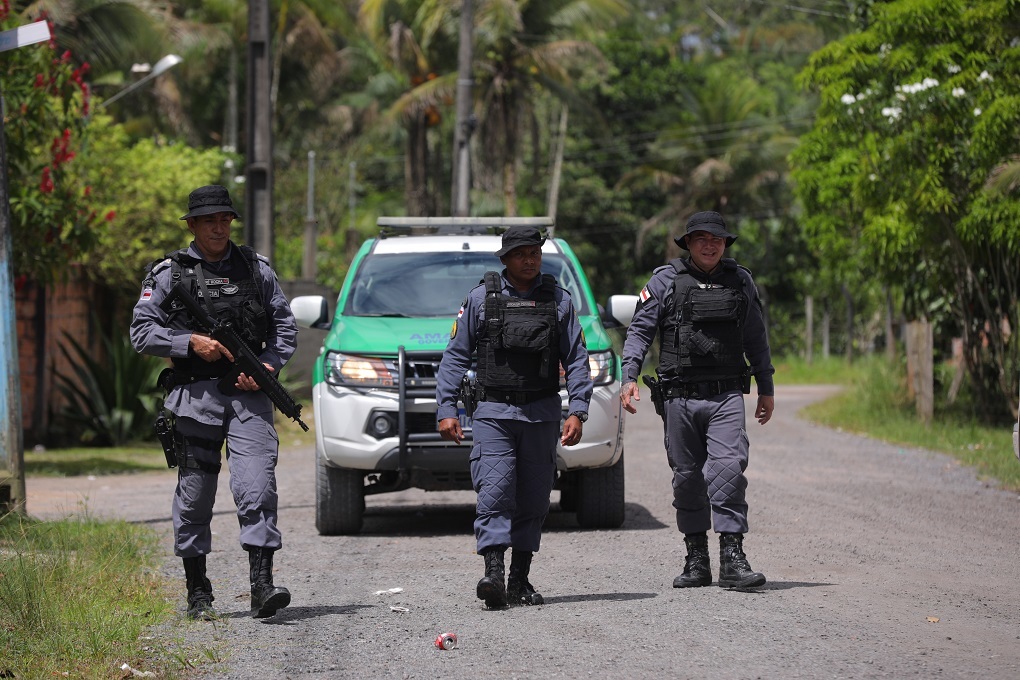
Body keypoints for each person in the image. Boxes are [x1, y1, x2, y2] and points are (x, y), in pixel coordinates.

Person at [130, 185, 297, 620]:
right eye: (209, 220)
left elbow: (285, 327)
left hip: (248, 396)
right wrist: (190, 343)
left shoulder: (255, 269)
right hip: (194, 399)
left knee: (257, 486)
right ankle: (197, 589)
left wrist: (267, 366)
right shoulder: (171, 273)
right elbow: (142, 332)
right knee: (195, 495)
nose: (219, 227)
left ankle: (262, 584)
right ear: (192, 225)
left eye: (225, 219)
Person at [435, 224, 593, 608]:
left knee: (535, 498)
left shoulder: (559, 300)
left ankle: (520, 580)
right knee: (495, 489)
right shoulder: (480, 299)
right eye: (521, 254)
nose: (529, 260)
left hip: (541, 412)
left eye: (535, 253)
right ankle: (493, 575)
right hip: (493, 412)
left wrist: (579, 409)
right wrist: (447, 408)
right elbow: (456, 355)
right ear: (505, 259)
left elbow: (576, 359)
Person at [620, 210, 775, 590]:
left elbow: (756, 335)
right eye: (702, 238)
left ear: (725, 244)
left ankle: (733, 558)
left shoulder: (740, 281)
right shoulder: (665, 281)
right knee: (687, 480)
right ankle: (696, 558)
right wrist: (629, 376)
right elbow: (640, 331)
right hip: (679, 397)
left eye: (718, 239)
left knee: (727, 472)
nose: (711, 245)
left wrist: (765, 385)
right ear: (688, 242)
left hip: (725, 395)